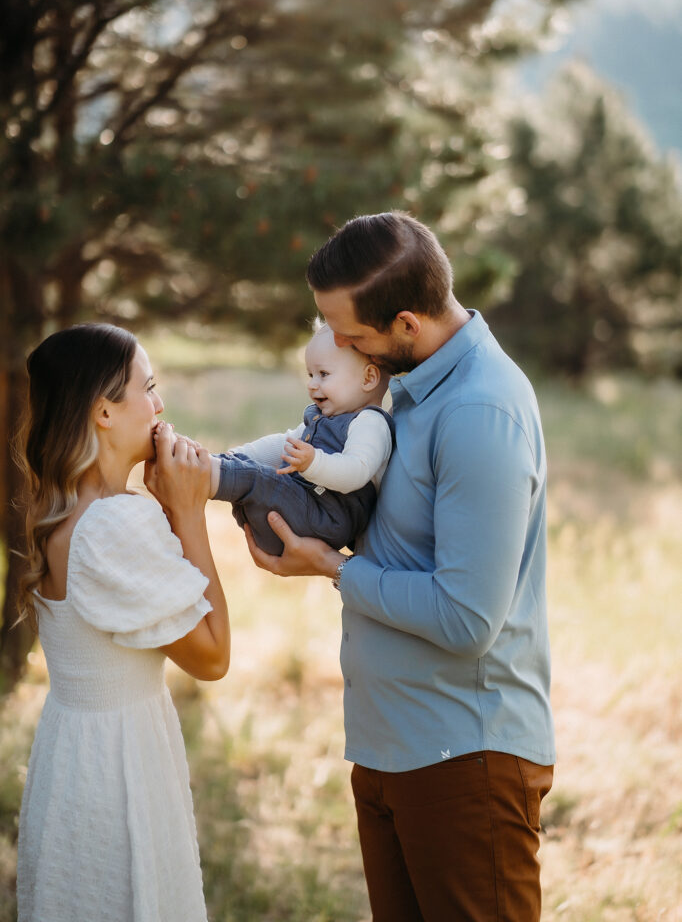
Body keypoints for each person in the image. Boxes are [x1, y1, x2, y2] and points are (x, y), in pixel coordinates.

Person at [243, 211, 556, 922]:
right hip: (394, 748)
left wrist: (331, 566)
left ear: (406, 326)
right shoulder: (404, 390)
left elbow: (467, 618)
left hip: (464, 758)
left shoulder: (480, 409)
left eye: (353, 337)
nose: (344, 351)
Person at [15, 322, 230, 922]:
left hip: (71, 755)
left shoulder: (68, 512)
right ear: (104, 411)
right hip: (118, 765)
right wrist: (188, 515)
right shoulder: (113, 526)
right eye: (149, 387)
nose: (160, 405)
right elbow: (213, 657)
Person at [209, 321, 393, 555]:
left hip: (328, 516)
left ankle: (201, 473)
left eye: (323, 374)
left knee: (253, 479)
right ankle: (215, 464)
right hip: (301, 508)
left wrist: (313, 463)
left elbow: (356, 471)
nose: (312, 384)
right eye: (310, 374)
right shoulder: (322, 417)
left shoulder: (370, 422)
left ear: (368, 379)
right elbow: (284, 445)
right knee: (247, 472)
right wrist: (239, 455)